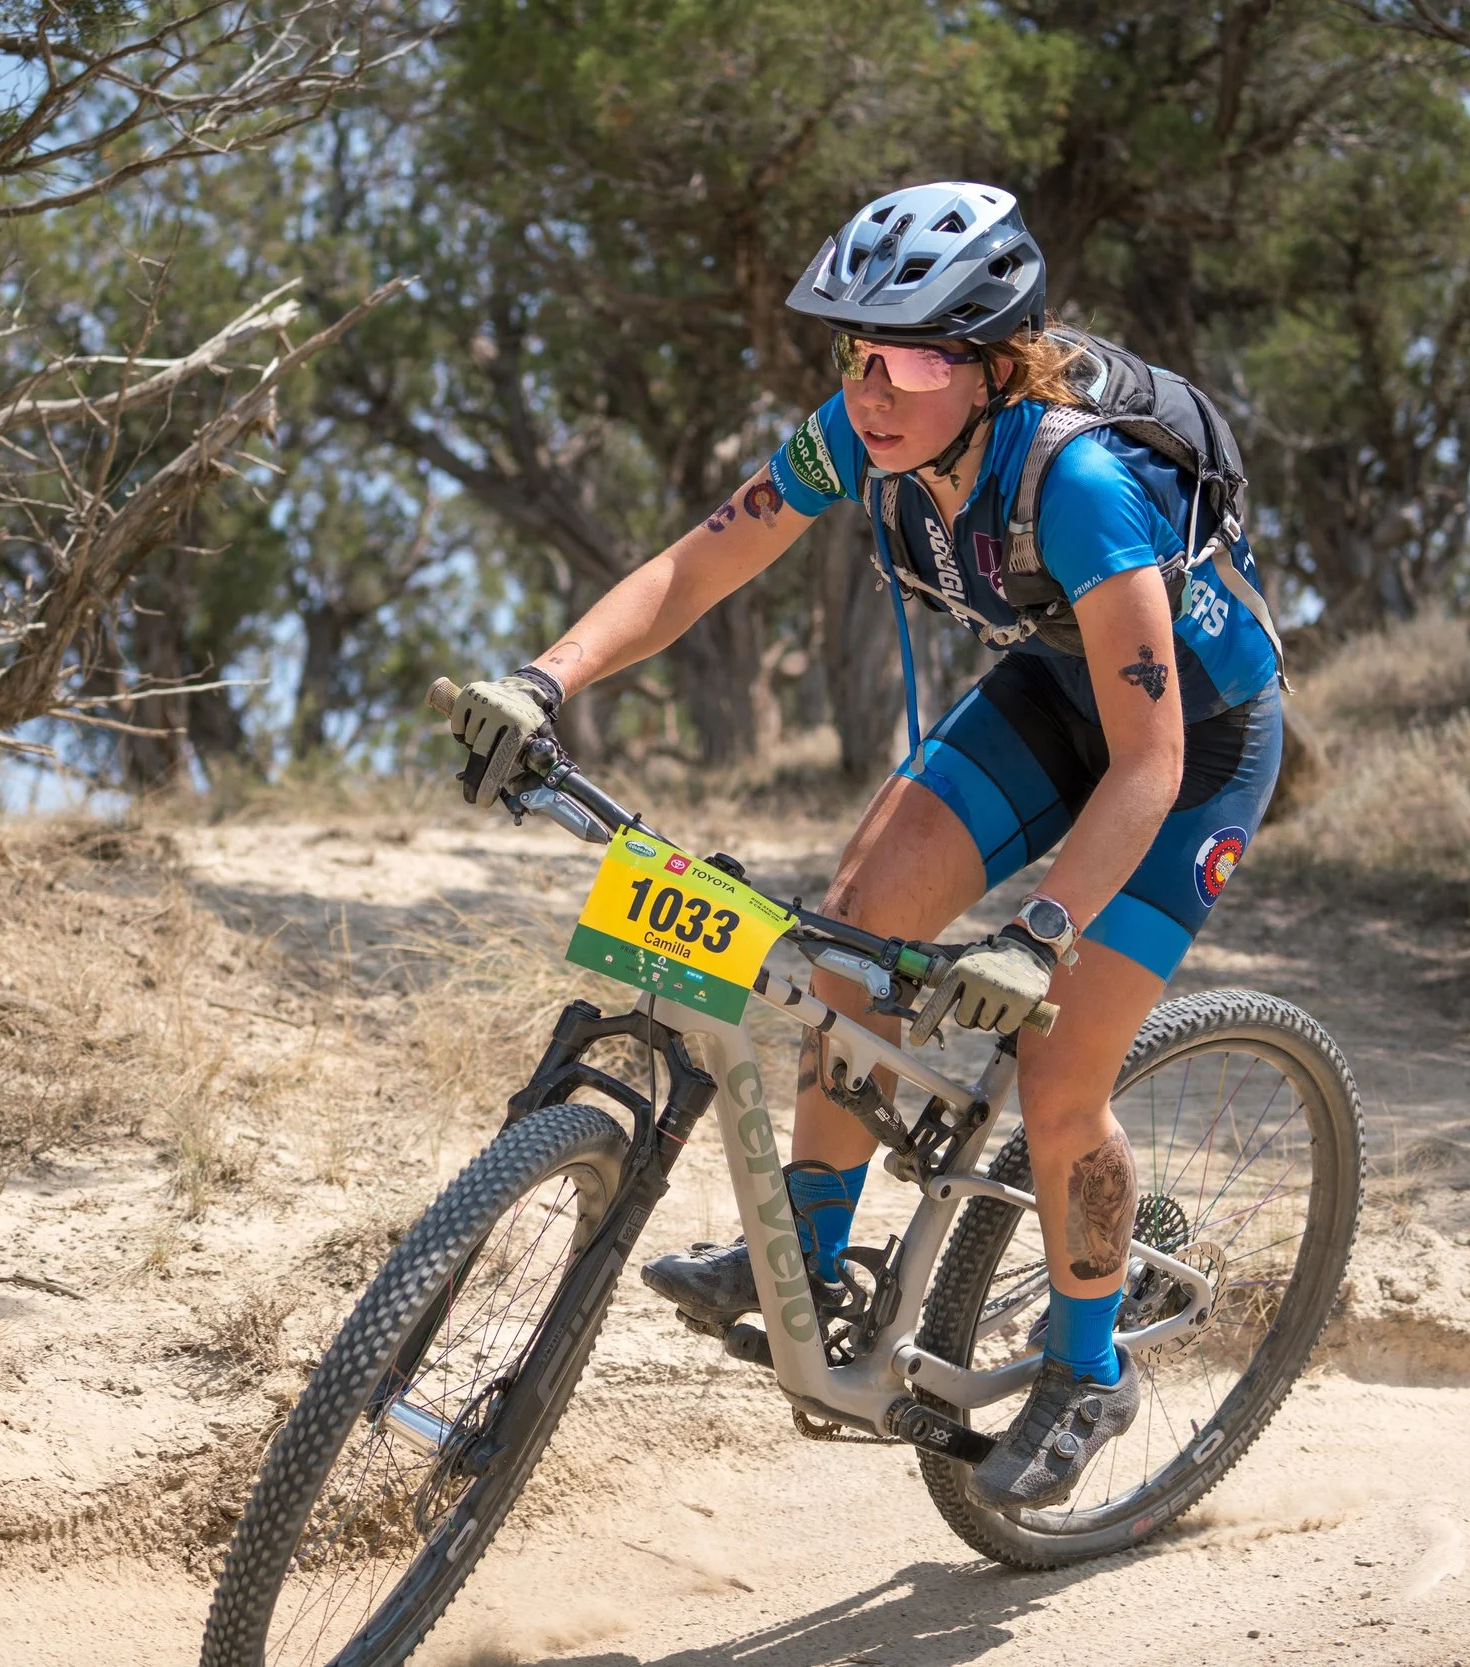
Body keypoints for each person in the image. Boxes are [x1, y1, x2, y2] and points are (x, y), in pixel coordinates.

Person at [443, 181, 1283, 1513]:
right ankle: (815, 1252)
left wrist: (1039, 931)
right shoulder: (861, 434)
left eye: (900, 360)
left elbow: (1153, 760)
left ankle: (1086, 1363)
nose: (868, 389)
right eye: (852, 353)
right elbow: (694, 569)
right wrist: (543, 678)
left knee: (1061, 1074)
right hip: (1053, 696)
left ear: (992, 366)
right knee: (852, 923)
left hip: (1191, 753)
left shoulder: (1080, 489)